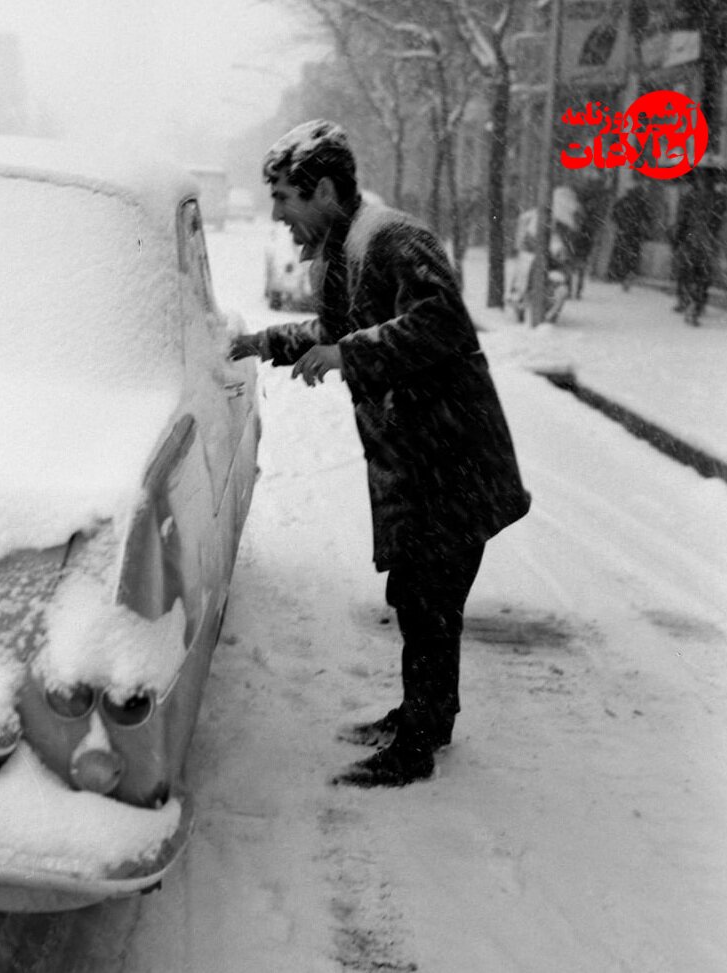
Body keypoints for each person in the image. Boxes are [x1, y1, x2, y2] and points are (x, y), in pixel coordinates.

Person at [229, 120, 531, 788]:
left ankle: (415, 748)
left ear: (326, 188)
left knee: (428, 597)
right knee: (418, 595)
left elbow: (440, 323)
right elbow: (338, 331)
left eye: (285, 198)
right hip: (420, 460)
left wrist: (349, 353)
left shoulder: (392, 238)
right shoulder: (343, 248)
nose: (277, 215)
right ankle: (425, 714)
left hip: (453, 456)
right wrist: (266, 343)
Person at [671, 163, 727, 326]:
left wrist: (679, 239)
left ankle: (688, 303)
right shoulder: (720, 199)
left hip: (693, 240)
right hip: (708, 241)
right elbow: (719, 221)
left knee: (688, 272)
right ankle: (696, 304)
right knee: (702, 275)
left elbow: (682, 220)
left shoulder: (690, 197)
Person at [605, 184, 649, 290]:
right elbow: (647, 217)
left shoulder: (624, 201)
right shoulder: (641, 203)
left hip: (623, 232)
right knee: (631, 256)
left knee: (619, 253)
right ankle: (627, 275)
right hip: (634, 233)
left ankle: (615, 274)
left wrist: (621, 223)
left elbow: (614, 214)